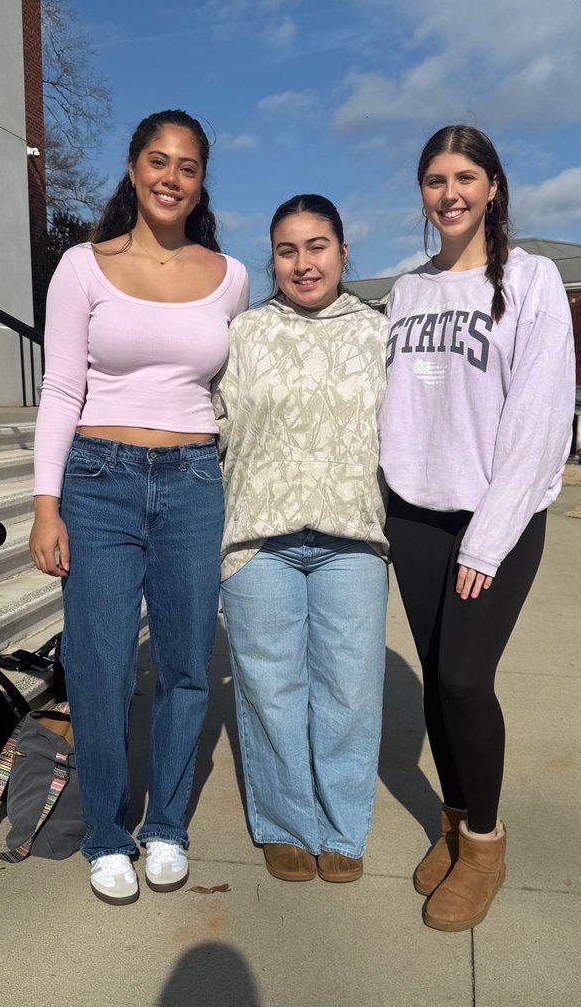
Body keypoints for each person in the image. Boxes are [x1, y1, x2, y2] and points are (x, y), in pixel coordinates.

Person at [29, 109, 249, 904]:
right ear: (132, 169)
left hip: (193, 480)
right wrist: (45, 503)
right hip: (97, 483)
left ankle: (167, 828)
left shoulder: (229, 276)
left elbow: (232, 392)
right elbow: (61, 388)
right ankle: (106, 834)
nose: (171, 177)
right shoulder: (82, 267)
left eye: (187, 166)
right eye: (158, 161)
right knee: (101, 666)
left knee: (189, 663)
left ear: (200, 183)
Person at [378, 125, 575, 931]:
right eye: (434, 179)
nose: (449, 193)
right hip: (414, 514)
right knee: (434, 677)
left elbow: (538, 416)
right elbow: (390, 405)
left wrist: (488, 538)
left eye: (465, 176)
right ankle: (454, 822)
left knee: (464, 677)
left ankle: (486, 846)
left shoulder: (532, 280)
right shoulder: (405, 290)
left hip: (496, 515)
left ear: (493, 186)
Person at [212, 195, 389, 884]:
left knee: (349, 691)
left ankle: (344, 827)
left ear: (344, 254)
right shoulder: (243, 334)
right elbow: (208, 422)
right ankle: (287, 822)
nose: (303, 263)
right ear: (273, 260)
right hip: (260, 538)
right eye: (287, 250)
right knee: (272, 691)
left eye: (318, 246)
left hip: (352, 537)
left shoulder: (380, 333)